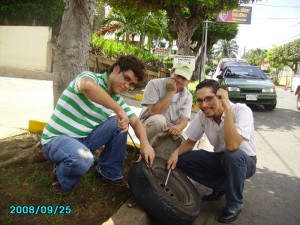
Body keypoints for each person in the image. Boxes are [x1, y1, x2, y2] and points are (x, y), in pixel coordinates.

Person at [41, 55, 155, 194]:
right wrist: (118, 109)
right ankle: (61, 180)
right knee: (83, 159)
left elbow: (136, 121)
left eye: (131, 84)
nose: (127, 86)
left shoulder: (116, 98)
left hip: (83, 140)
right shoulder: (90, 77)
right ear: (116, 69)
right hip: (56, 139)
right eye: (126, 79)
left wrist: (145, 143)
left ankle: (108, 172)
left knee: (119, 123)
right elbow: (87, 86)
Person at [167, 79, 257, 223]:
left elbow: (233, 146)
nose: (204, 105)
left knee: (232, 155)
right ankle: (220, 186)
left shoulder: (241, 111)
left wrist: (227, 109)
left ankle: (235, 204)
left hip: (245, 161)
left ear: (221, 96)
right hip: (221, 159)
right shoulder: (203, 115)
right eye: (200, 101)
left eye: (209, 99)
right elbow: (190, 142)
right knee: (182, 159)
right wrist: (175, 153)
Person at [139, 61, 193, 143]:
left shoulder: (188, 96)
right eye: (178, 76)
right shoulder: (154, 84)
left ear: (188, 82)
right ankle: (145, 148)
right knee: (159, 121)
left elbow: (184, 119)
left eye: (183, 78)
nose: (179, 80)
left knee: (187, 140)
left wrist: (178, 127)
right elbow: (154, 112)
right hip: (148, 126)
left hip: (170, 129)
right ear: (171, 72)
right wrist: (171, 91)